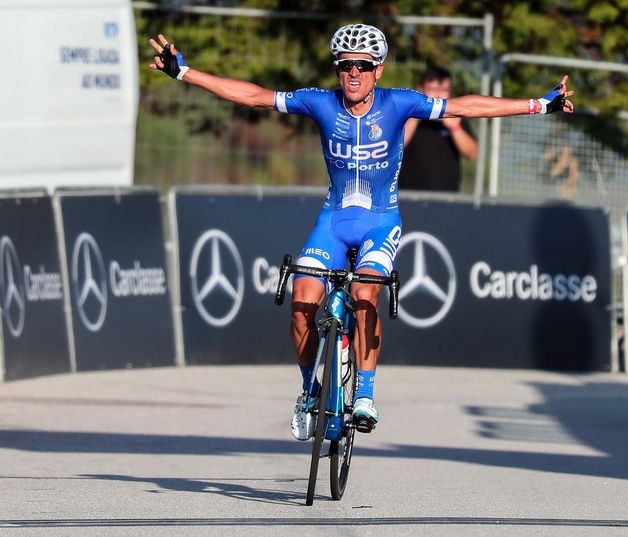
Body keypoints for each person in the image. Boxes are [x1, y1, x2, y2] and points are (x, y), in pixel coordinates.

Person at [148, 24, 574, 440]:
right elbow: (255, 96)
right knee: (300, 304)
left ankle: (366, 392)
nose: (353, 73)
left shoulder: (399, 104)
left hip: (380, 222)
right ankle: (309, 391)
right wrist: (184, 73)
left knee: (366, 293)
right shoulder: (320, 103)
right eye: (345, 65)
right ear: (337, 68)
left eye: (363, 66)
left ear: (379, 71)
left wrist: (539, 104)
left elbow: (466, 107)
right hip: (333, 222)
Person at [400, 64, 478, 191]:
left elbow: (472, 154)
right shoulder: (406, 115)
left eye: (444, 90)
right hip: (407, 195)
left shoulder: (455, 118)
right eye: (432, 89)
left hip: (446, 198)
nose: (438, 96)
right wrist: (415, 116)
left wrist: (455, 128)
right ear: (420, 90)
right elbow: (394, 146)